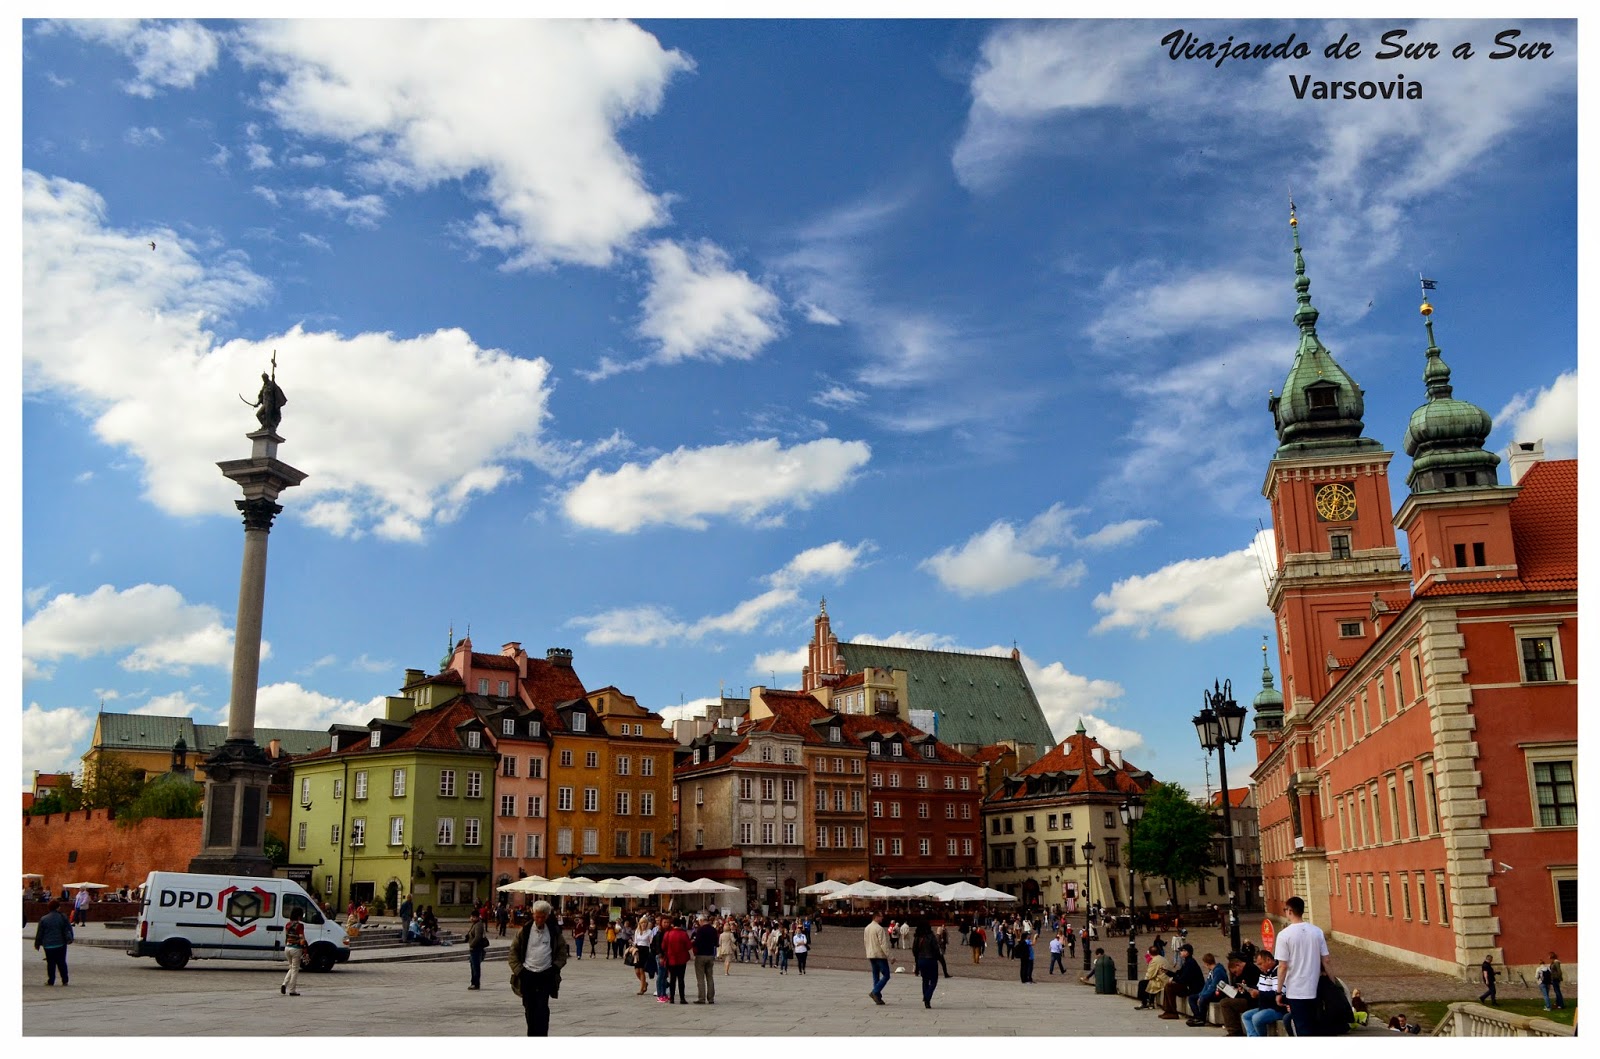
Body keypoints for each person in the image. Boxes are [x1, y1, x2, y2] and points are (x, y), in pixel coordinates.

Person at [509, 899, 569, 1036]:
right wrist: (520, 971)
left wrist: (555, 968)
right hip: (527, 974)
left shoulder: (554, 932)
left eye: (542, 917)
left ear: (547, 916)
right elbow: (513, 952)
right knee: (529, 1009)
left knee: (542, 1008)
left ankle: (542, 1035)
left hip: (545, 974)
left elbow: (562, 952)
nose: (539, 919)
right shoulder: (524, 931)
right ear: (533, 914)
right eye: (537, 916)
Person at [1275, 895, 1331, 1037]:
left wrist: (1279, 991)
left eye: (1285, 909)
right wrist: (1332, 982)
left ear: (1290, 911)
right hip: (1315, 986)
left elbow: (1282, 966)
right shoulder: (1317, 931)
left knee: (1302, 1028)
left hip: (1296, 989)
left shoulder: (1284, 935)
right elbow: (1326, 960)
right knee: (1316, 1027)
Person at [1242, 950, 1287, 1037]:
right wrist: (1248, 988)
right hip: (1264, 1006)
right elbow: (1259, 988)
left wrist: (1259, 994)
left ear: (1268, 960)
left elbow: (1277, 993)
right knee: (1246, 1016)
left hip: (1276, 1008)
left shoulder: (1277, 971)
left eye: (1260, 964)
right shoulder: (1264, 973)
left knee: (1257, 1018)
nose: (1259, 967)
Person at [1217, 951, 1262, 1037]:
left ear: (1238, 965)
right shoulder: (1240, 974)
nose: (1236, 974)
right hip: (1245, 998)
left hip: (1252, 1000)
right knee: (1226, 1001)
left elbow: (1252, 988)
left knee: (1225, 1003)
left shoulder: (1251, 970)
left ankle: (1234, 1031)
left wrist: (1241, 991)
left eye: (1235, 972)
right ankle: (1233, 1029)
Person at [34, 899, 72, 986]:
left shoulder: (44, 919)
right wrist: (70, 939)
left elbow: (40, 933)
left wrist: (37, 943)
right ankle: (65, 980)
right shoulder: (62, 917)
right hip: (61, 943)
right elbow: (68, 929)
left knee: (50, 963)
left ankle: (51, 980)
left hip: (48, 945)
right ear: (58, 907)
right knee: (61, 962)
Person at [1160, 942, 1203, 1019]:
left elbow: (1183, 979)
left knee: (1169, 986)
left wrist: (1174, 979)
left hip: (1193, 990)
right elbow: (1179, 974)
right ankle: (1168, 1011)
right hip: (1188, 987)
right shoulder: (1187, 962)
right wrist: (1167, 972)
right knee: (1168, 986)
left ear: (1187, 952)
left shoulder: (1190, 963)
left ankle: (1172, 1012)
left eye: (1182, 951)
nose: (1180, 952)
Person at [1189, 952, 1228, 1026]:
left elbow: (1213, 987)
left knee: (1203, 999)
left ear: (1206, 963)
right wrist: (1201, 994)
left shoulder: (1218, 971)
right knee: (1192, 998)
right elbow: (1206, 985)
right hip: (1211, 992)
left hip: (1218, 993)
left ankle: (1202, 1019)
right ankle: (1197, 1016)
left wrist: (1202, 996)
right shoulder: (1211, 971)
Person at [661, 914, 692, 1004]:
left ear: (672, 924)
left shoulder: (668, 934)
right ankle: (682, 998)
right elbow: (688, 946)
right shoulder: (683, 934)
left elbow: (663, 947)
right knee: (681, 979)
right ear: (680, 924)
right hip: (682, 959)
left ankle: (672, 998)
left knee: (672, 979)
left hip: (671, 959)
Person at [864, 910, 891, 1005]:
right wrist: (890, 956)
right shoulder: (879, 929)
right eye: (881, 916)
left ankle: (878, 997)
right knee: (886, 975)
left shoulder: (867, 928)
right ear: (876, 917)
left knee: (876, 975)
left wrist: (868, 952)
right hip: (879, 955)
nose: (882, 918)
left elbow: (866, 942)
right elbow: (883, 944)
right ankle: (875, 992)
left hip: (871, 954)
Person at [912, 920, 941, 1008]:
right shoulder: (931, 936)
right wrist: (938, 957)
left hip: (921, 960)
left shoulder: (917, 937)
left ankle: (926, 1000)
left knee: (925, 980)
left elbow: (914, 950)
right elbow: (936, 949)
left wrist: (917, 963)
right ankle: (927, 997)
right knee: (933, 980)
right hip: (931, 960)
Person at [691, 912, 719, 1004]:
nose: (698, 923)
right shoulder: (713, 930)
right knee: (710, 977)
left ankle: (701, 998)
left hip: (701, 955)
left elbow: (697, 942)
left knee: (700, 978)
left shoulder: (700, 930)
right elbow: (716, 943)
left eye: (699, 921)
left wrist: (693, 942)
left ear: (701, 920)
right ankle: (711, 998)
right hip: (710, 955)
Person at [280, 905, 305, 996]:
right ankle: (292, 990)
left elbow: (286, 936)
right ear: (299, 916)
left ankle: (284, 984)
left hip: (287, 948)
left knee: (292, 967)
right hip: (296, 949)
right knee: (295, 969)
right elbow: (301, 938)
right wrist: (305, 948)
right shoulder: (300, 926)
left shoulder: (288, 925)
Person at [632, 914, 658, 996]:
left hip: (645, 950)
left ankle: (641, 989)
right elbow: (635, 941)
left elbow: (651, 942)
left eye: (645, 923)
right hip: (638, 950)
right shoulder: (637, 931)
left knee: (641, 970)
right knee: (636, 971)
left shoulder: (649, 932)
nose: (643, 924)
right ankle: (644, 983)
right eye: (642, 923)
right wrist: (633, 948)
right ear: (639, 923)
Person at [465, 906, 490, 990]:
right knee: (473, 966)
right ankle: (473, 982)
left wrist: (472, 944)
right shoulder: (475, 924)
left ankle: (476, 983)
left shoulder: (478, 925)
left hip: (476, 948)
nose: (471, 918)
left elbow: (478, 937)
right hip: (473, 949)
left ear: (476, 917)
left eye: (472, 917)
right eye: (471, 916)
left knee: (475, 966)